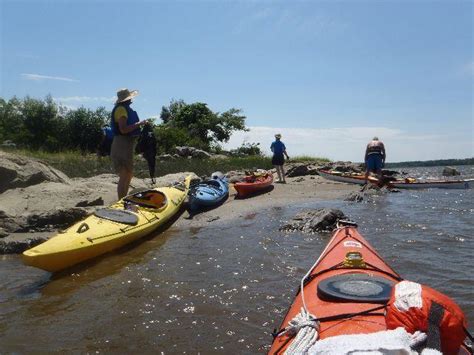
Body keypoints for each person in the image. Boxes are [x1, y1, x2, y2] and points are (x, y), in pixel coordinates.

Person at [110, 88, 148, 199]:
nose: (131, 100)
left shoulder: (123, 109)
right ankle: (121, 201)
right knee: (124, 174)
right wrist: (139, 124)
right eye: (130, 98)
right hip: (121, 144)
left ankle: (124, 199)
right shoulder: (121, 110)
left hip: (126, 144)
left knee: (128, 174)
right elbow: (123, 129)